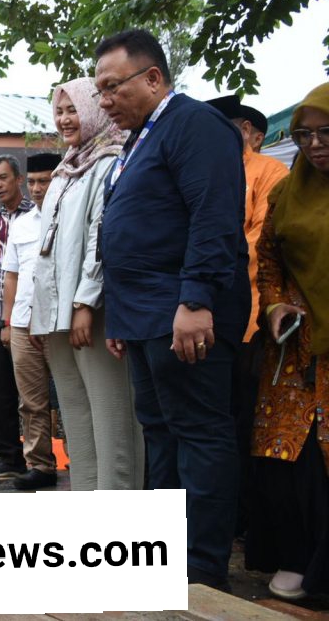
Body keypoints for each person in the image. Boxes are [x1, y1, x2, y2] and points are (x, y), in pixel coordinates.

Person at [95, 30, 250, 589]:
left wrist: (195, 299)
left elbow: (213, 216)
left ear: (154, 77)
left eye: (113, 87)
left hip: (182, 312)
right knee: (159, 433)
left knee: (199, 432)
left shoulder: (194, 126)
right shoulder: (139, 139)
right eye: (100, 91)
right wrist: (121, 314)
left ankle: (204, 566)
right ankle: (164, 553)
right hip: (142, 316)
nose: (105, 100)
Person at [30, 77, 144, 492]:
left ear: (93, 109)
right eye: (59, 111)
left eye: (72, 109)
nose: (64, 119)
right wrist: (37, 316)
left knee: (110, 411)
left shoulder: (110, 161)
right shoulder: (66, 168)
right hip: (54, 314)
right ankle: (87, 501)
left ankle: (118, 511)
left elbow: (101, 236)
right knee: (75, 411)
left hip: (88, 310)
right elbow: (46, 250)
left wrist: (84, 303)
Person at [246, 82, 329, 600]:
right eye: (304, 136)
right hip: (299, 346)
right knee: (291, 455)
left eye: (326, 133)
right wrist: (274, 304)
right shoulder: (287, 191)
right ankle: (299, 559)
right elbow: (269, 262)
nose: (315, 145)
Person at [207, 94, 289, 535]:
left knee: (243, 418)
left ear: (246, 132)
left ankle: (243, 518)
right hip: (207, 314)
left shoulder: (267, 171)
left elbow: (256, 245)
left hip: (251, 316)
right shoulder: (206, 166)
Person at [0, 153, 58, 490]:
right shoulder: (20, 225)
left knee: (71, 396)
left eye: (44, 181)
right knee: (31, 400)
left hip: (58, 323)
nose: (37, 188)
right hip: (22, 322)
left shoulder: (69, 217)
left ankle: (84, 462)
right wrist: (8, 323)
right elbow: (11, 277)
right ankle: (41, 465)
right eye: (33, 181)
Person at [0, 154, 35, 478]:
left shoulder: (38, 214)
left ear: (18, 179)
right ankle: (9, 456)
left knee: (33, 389)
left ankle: (38, 457)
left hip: (30, 311)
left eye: (3, 178)